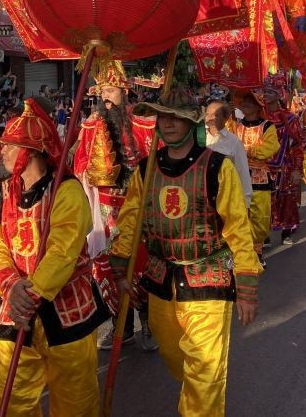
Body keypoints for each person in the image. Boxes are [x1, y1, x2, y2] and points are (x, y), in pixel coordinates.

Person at [112, 89, 261, 416]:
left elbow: (238, 227)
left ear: (191, 121)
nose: (167, 123)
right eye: (162, 117)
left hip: (208, 280)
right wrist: (120, 267)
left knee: (204, 372)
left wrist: (247, 285)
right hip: (161, 280)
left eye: (175, 117)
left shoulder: (217, 167)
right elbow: (130, 220)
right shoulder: (146, 169)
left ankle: (200, 404)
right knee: (174, 355)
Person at [0, 99, 107, 415]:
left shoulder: (67, 191)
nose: (2, 152)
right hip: (15, 308)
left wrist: (30, 295)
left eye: (10, 146)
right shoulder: (2, 195)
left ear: (33, 151)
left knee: (75, 404)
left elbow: (62, 252)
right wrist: (11, 285)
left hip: (67, 310)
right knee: (11, 399)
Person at [72, 61, 155, 351]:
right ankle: (122, 327)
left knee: (140, 265)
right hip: (106, 208)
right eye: (102, 90)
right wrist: (88, 174)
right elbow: (80, 161)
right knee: (109, 268)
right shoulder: (92, 125)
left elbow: (154, 162)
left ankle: (147, 324)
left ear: (123, 90)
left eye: (110, 89)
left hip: (137, 206)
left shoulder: (143, 123)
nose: (104, 95)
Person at [233, 90, 280, 259]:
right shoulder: (235, 126)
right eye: (244, 101)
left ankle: (257, 249)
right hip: (237, 177)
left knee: (260, 218)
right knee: (239, 216)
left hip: (259, 177)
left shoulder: (267, 126)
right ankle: (246, 253)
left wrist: (244, 150)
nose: (245, 104)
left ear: (258, 106)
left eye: (250, 101)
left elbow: (270, 148)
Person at [264, 86, 304, 245]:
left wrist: (297, 169)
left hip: (284, 165)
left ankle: (286, 232)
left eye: (269, 92)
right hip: (262, 166)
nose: (265, 95)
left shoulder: (290, 118)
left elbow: (297, 145)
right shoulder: (258, 117)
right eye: (264, 92)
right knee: (262, 201)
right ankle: (263, 234)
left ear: (279, 95)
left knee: (286, 199)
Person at [205, 99, 252, 209]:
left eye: (215, 115)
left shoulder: (234, 142)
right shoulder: (197, 138)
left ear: (225, 118)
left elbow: (243, 173)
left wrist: (246, 203)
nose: (210, 118)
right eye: (207, 114)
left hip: (225, 198)